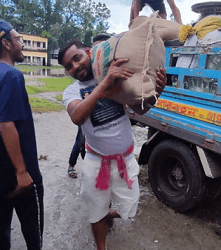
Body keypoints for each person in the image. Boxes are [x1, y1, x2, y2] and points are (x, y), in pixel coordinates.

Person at [58, 38, 166, 250]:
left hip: (125, 160)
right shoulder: (72, 91)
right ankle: (101, 245)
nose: (75, 66)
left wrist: (156, 93)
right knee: (95, 211)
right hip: (96, 162)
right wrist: (105, 84)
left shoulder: (117, 77)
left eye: (77, 58)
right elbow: (77, 116)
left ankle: (105, 213)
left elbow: (140, 109)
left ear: (89, 52)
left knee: (130, 207)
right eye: (68, 66)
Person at [0, 19, 44, 250]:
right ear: (6, 43)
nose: (22, 44)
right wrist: (22, 171)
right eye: (19, 39)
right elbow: (6, 124)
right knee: (33, 235)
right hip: (20, 177)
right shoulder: (11, 75)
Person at [67, 34, 111, 179]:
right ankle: (71, 165)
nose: (99, 51)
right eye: (96, 48)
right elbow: (77, 116)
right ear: (89, 51)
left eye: (103, 47)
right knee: (81, 140)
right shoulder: (88, 70)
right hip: (87, 115)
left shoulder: (108, 67)